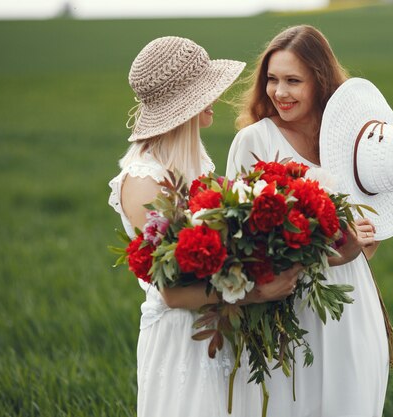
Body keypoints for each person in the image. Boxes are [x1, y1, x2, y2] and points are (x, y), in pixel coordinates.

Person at [226, 25, 393, 417]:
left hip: (351, 305)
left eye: (293, 81)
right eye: (272, 80)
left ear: (320, 81)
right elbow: (242, 245)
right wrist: (328, 254)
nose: (279, 92)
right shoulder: (255, 142)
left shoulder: (352, 144)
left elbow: (366, 245)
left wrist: (392, 170)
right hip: (289, 310)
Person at [108, 36, 300, 417]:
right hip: (181, 342)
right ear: (184, 104)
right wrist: (259, 293)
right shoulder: (145, 179)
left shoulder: (199, 166)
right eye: (205, 89)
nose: (216, 95)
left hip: (219, 331)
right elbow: (173, 293)